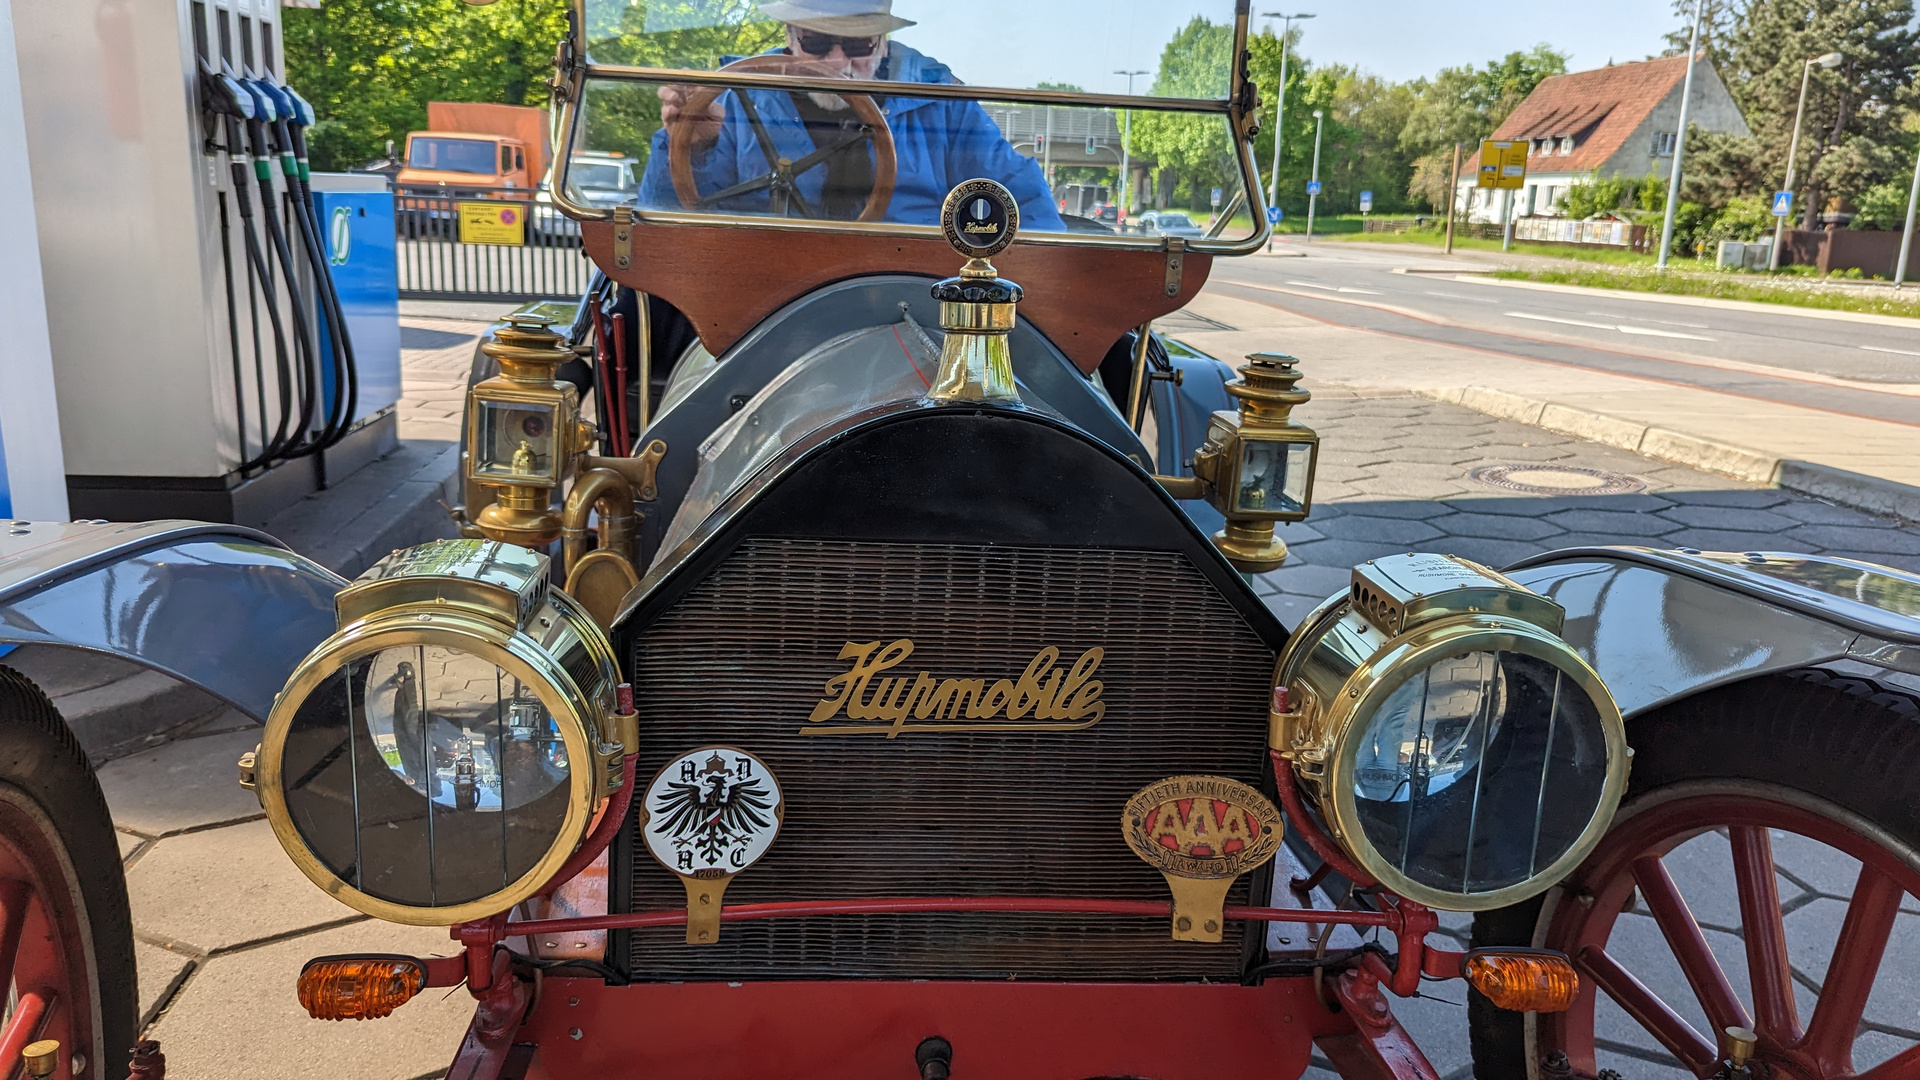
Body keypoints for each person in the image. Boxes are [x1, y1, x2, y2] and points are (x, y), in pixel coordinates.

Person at [638, 0, 1064, 230]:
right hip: (764, 291)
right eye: (818, 43)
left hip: (910, 292)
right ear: (789, 38)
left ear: (882, 42)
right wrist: (697, 147)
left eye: (859, 45)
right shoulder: (734, 97)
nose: (837, 65)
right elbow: (671, 225)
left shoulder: (941, 100)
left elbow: (1018, 201)